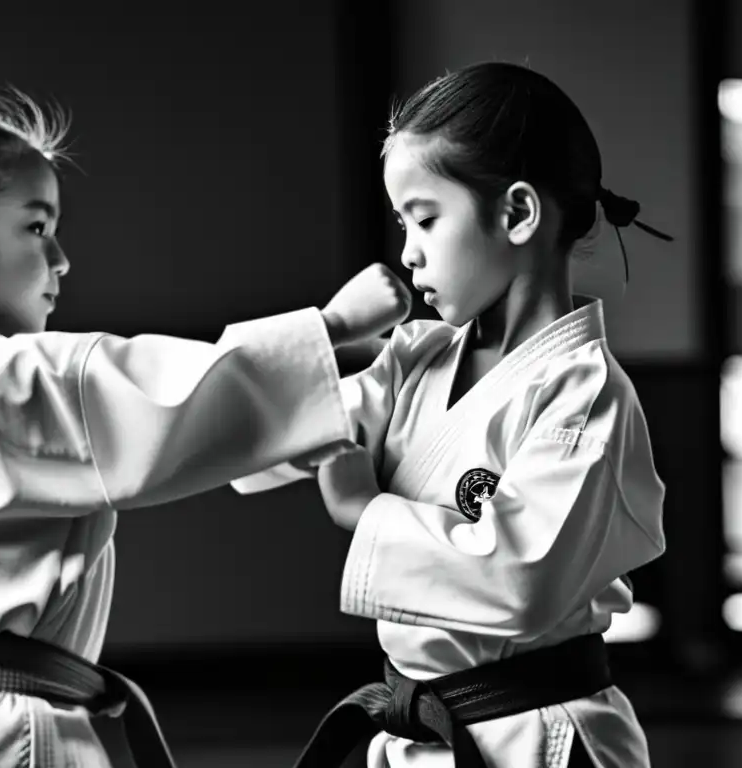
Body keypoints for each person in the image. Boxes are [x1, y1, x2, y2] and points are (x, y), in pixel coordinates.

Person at [0, 96, 413, 768]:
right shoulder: (20, 377)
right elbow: (184, 402)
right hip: (9, 737)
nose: (60, 259)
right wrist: (333, 324)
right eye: (36, 227)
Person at [233, 62, 671, 768]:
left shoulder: (586, 394)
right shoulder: (416, 359)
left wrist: (362, 512)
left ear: (518, 213)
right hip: (418, 737)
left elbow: (520, 579)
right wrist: (329, 328)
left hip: (539, 738)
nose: (407, 253)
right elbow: (254, 439)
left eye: (426, 218)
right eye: (402, 221)